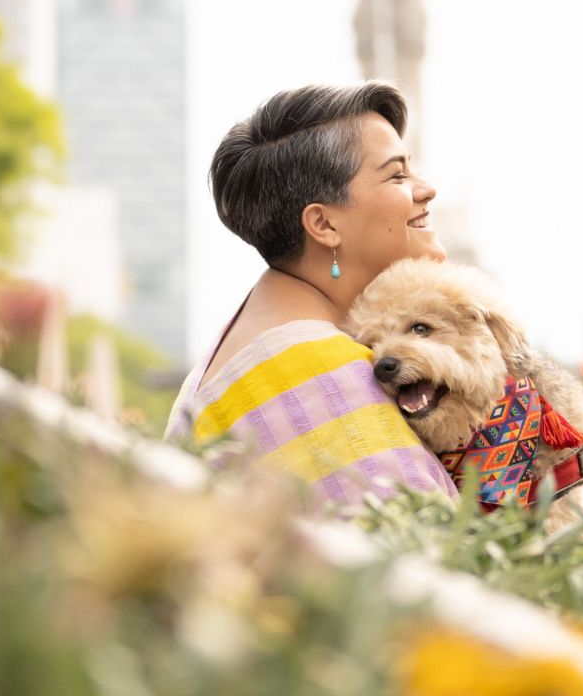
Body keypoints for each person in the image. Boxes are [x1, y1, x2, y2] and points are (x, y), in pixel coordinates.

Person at [165, 81, 458, 506]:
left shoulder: (256, 342)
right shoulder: (324, 375)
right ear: (323, 225)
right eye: (397, 174)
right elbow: (434, 554)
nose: (426, 188)